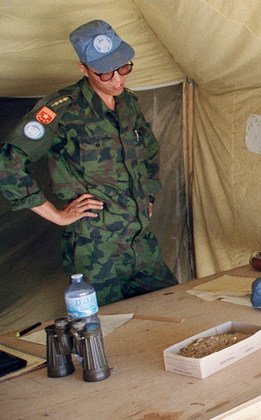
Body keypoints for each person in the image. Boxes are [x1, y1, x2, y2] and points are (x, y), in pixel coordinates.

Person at [0, 20, 177, 305]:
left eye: (124, 67)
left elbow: (149, 150)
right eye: (105, 73)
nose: (117, 79)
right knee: (109, 330)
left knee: (172, 306)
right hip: (97, 250)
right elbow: (7, 162)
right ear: (83, 69)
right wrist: (57, 215)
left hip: (141, 242)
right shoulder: (63, 109)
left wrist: (149, 194)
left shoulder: (127, 103)